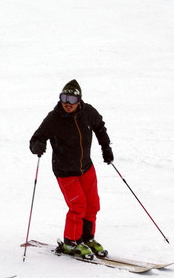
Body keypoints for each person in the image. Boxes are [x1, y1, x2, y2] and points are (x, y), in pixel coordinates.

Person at [29, 79, 114, 259]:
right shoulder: (54, 118)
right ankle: (71, 242)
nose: (67, 103)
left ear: (79, 101)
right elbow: (36, 138)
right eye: (64, 98)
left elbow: (100, 127)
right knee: (78, 206)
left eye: (72, 100)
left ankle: (87, 238)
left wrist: (106, 147)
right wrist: (37, 145)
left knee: (92, 204)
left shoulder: (88, 112)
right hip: (65, 171)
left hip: (86, 166)